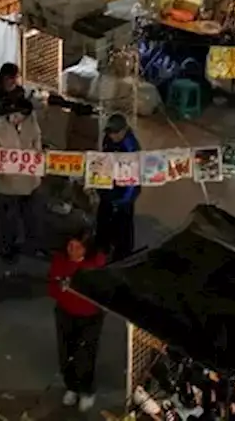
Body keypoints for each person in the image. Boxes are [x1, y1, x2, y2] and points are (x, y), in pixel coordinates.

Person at [0, 98, 43, 263]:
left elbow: (37, 139)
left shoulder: (31, 120)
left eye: (22, 117)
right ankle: (7, 250)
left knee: (32, 216)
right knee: (8, 220)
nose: (18, 120)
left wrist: (36, 157)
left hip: (30, 181)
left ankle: (32, 247)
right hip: (6, 184)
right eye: (16, 116)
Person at [48, 231, 107, 412]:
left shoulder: (97, 264)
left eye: (78, 247)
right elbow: (52, 287)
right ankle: (72, 386)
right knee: (66, 353)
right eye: (70, 246)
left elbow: (104, 293)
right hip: (65, 313)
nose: (72, 250)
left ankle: (87, 390)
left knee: (85, 355)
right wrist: (60, 288)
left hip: (90, 317)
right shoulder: (60, 260)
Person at [94, 114, 140, 261]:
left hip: (123, 193)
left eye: (115, 132)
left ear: (124, 130)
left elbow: (134, 181)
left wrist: (123, 200)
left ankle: (123, 254)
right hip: (107, 187)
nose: (112, 136)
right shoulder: (108, 139)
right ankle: (102, 248)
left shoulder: (131, 147)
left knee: (123, 225)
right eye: (110, 132)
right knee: (103, 220)